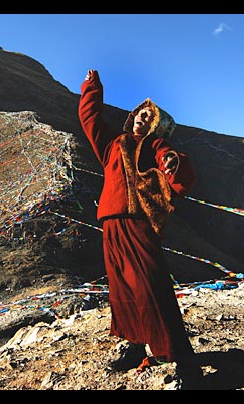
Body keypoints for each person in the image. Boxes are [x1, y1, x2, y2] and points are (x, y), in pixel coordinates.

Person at [78, 69, 203, 388]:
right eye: (139, 114)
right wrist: (93, 88)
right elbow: (90, 120)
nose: (141, 119)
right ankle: (136, 345)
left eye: (149, 117)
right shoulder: (112, 144)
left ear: (156, 125)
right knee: (122, 288)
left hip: (139, 222)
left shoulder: (156, 145)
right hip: (110, 221)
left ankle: (183, 360)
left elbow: (171, 160)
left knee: (152, 286)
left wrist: (172, 162)